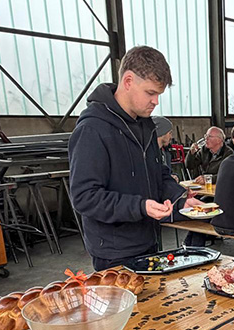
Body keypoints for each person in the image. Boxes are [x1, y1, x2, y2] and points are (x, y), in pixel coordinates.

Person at [69, 46, 203, 271]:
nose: (156, 102)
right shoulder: (93, 130)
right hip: (114, 253)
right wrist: (140, 206)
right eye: (150, 93)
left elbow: (158, 174)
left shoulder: (146, 126)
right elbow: (85, 197)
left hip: (148, 241)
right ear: (128, 81)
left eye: (159, 95)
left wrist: (181, 200)